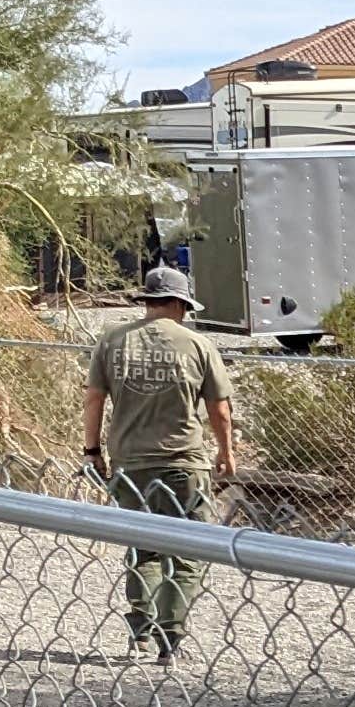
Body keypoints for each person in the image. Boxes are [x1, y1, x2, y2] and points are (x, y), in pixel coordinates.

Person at [82, 266, 241, 658]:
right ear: (178, 303)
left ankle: (140, 630)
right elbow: (219, 409)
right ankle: (171, 635)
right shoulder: (197, 345)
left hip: (129, 463)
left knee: (142, 546)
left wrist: (92, 451)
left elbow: (93, 400)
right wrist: (226, 451)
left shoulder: (112, 341)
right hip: (183, 460)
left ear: (148, 302)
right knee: (189, 547)